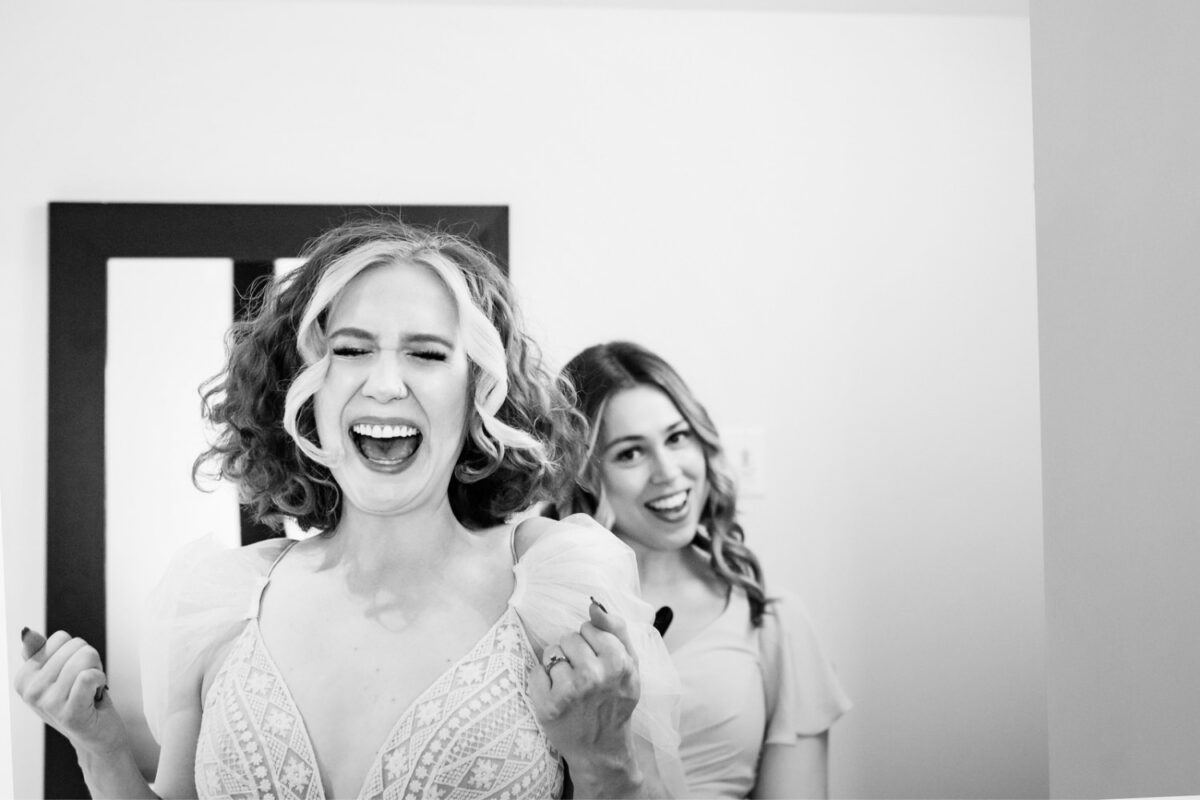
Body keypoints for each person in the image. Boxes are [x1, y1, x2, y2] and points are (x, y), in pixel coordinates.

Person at [14, 221, 686, 799]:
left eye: (426, 353)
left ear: (478, 393)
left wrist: (603, 758)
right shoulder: (221, 601)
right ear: (304, 391)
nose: (385, 383)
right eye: (351, 350)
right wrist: (97, 745)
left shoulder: (555, 588)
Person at [556, 341, 852, 799]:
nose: (668, 472)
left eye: (677, 438)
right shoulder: (547, 616)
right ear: (585, 474)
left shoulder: (772, 623)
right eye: (630, 453)